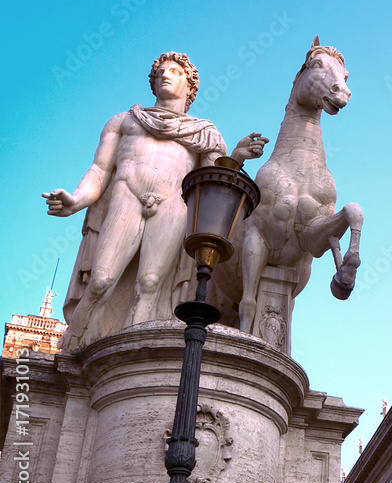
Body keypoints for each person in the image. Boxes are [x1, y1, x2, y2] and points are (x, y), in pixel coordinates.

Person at [44, 52, 267, 349]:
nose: (166, 75)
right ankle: (73, 345)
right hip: (126, 197)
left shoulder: (203, 132)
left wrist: (237, 156)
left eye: (175, 72)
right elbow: (99, 170)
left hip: (171, 204)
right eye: (161, 71)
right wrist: (75, 201)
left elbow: (214, 180)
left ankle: (132, 352)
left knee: (150, 284)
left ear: (189, 86)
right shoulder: (124, 121)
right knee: (101, 280)